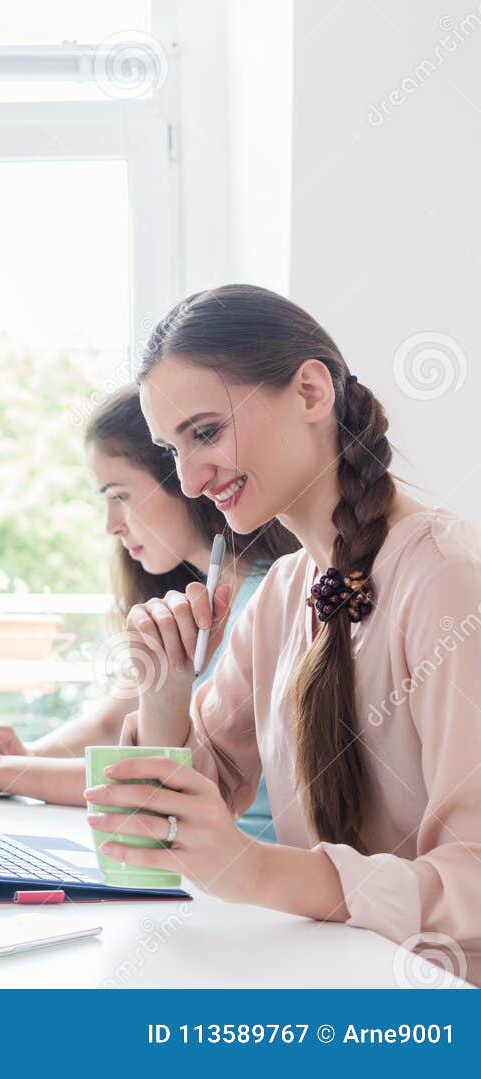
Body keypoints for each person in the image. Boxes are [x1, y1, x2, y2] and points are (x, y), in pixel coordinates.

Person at [92, 284, 481, 976]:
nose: (189, 480)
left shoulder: (447, 581)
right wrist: (166, 689)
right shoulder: (281, 595)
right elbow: (159, 835)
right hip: (335, 982)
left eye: (206, 432)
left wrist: (261, 872)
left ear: (309, 392)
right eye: (172, 449)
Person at [0, 388, 296, 840]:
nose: (111, 523)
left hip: (240, 861)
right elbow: (112, 723)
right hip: (192, 855)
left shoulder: (268, 598)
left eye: (120, 495)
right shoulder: (189, 597)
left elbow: (156, 778)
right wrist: (28, 752)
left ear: (182, 482)